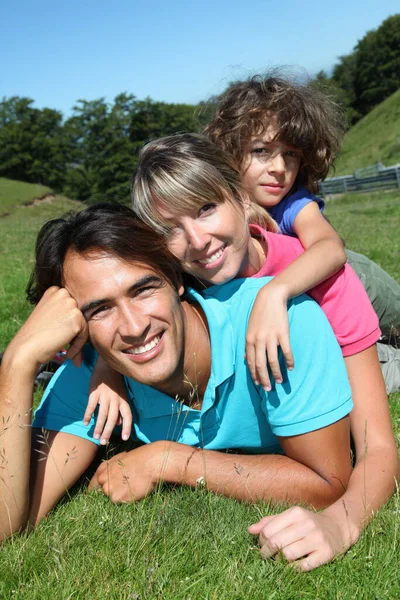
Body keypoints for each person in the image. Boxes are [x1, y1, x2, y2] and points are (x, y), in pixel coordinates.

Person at [0, 203, 354, 576]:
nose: (134, 326)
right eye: (100, 310)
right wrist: (17, 366)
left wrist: (169, 460)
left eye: (143, 289)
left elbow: (328, 482)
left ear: (175, 278)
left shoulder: (281, 323)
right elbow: (9, 518)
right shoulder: (88, 375)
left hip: (345, 318)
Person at [128, 133, 398, 570]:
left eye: (205, 209)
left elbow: (378, 449)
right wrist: (103, 368)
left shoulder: (325, 277)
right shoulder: (184, 283)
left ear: (239, 197)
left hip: (362, 350)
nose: (197, 241)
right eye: (170, 229)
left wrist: (339, 524)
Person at [204, 73, 400, 392]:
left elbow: (330, 249)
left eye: (290, 154)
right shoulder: (214, 217)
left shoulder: (293, 204)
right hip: (325, 319)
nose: (279, 168)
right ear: (228, 152)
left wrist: (276, 291)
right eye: (261, 151)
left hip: (359, 284)